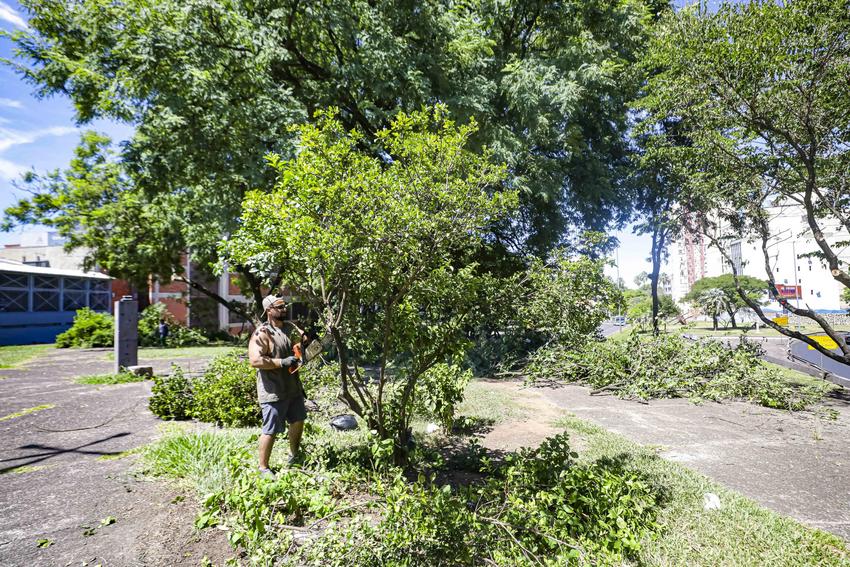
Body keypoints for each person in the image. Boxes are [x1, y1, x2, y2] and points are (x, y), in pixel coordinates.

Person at [248, 295, 307, 478]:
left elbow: (303, 339)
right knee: (271, 429)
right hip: (273, 390)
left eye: (284, 306)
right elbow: (255, 360)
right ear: (269, 310)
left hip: (293, 386)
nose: (284, 309)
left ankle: (294, 456)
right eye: (279, 307)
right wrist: (281, 362)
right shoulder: (262, 333)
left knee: (298, 420)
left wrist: (306, 343)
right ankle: (263, 468)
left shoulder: (290, 327)